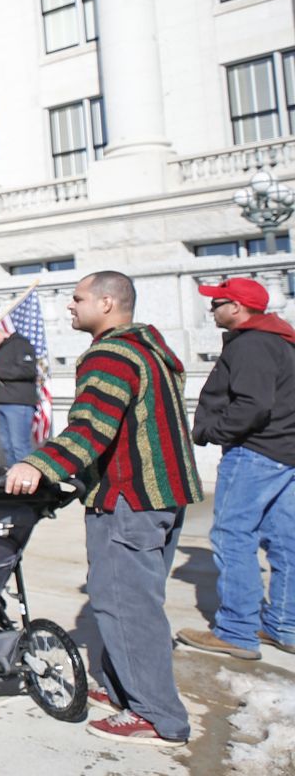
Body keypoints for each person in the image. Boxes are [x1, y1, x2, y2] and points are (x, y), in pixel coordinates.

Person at [6, 270, 202, 747]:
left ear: (108, 303)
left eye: (77, 299)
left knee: (126, 607)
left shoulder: (110, 354)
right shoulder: (149, 349)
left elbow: (91, 427)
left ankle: (157, 716)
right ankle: (121, 690)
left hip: (128, 500)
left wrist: (38, 464)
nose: (69, 307)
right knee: (128, 600)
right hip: (162, 497)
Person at [176, 277, 295, 660]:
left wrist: (212, 431)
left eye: (216, 303)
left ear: (237, 308)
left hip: (255, 452)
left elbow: (253, 405)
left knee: (233, 536)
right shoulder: (281, 340)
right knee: (284, 541)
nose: (211, 310)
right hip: (285, 452)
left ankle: (237, 631)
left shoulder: (251, 344)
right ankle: (284, 626)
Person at [0, 318, 41, 463]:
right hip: (3, 401)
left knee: (20, 446)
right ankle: (13, 479)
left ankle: (27, 481)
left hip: (19, 402)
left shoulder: (21, 344)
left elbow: (28, 370)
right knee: (7, 446)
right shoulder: (1, 350)